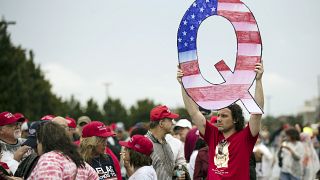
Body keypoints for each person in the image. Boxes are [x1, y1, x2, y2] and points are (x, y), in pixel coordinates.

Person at [177, 62, 264, 179]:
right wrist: (184, 84)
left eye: (224, 116)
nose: (218, 119)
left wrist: (258, 80)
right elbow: (194, 112)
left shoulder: (246, 137)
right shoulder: (213, 134)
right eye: (218, 115)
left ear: (236, 119)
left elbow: (257, 113)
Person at [28, 121, 98, 179]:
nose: (37, 146)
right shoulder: (75, 159)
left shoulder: (49, 160)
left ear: (43, 142)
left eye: (38, 142)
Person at [145, 105, 180, 180]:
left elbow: (170, 170)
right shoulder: (145, 144)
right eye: (170, 120)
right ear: (161, 123)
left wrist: (177, 174)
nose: (173, 123)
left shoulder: (165, 142)